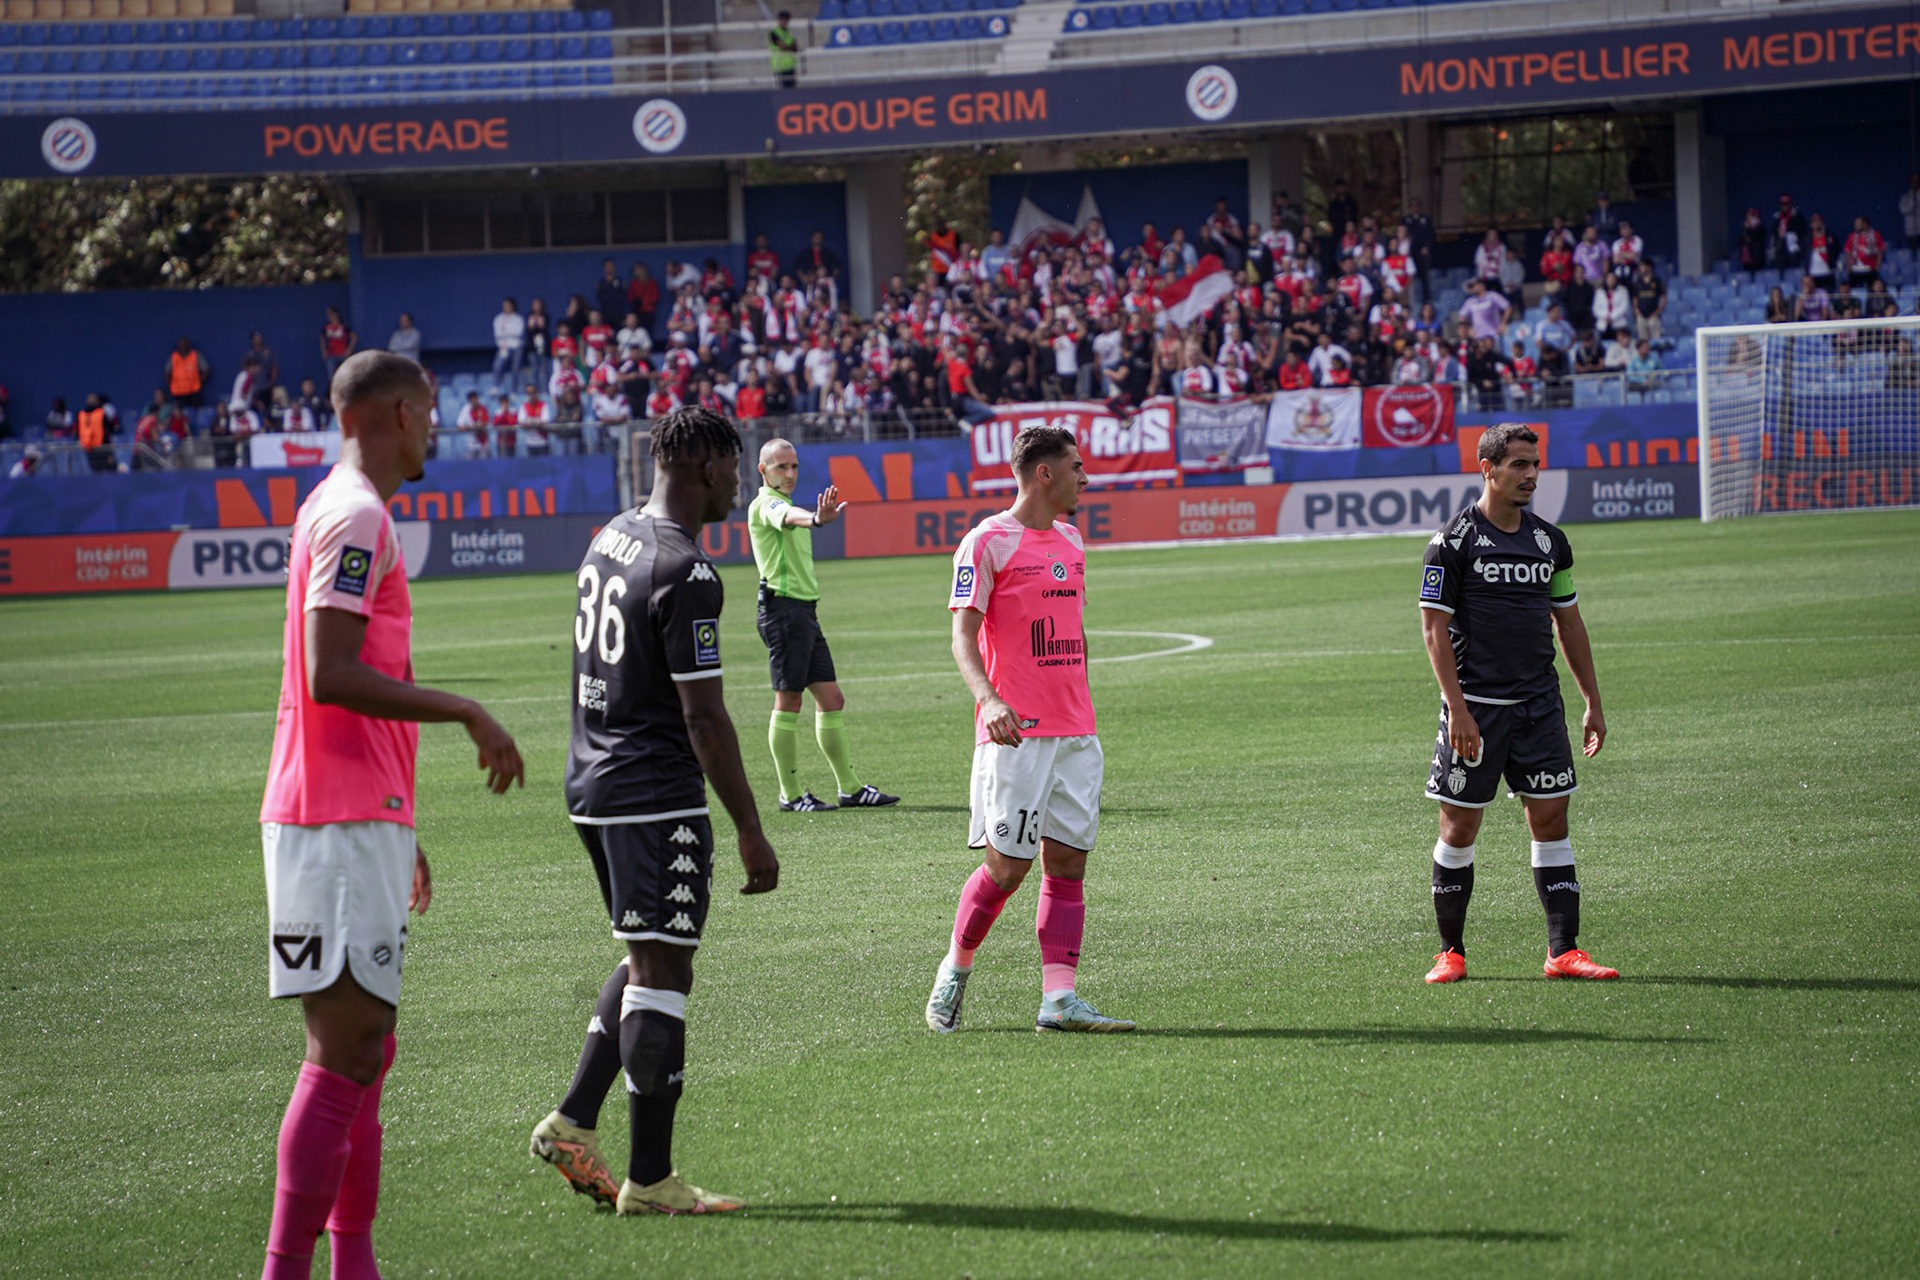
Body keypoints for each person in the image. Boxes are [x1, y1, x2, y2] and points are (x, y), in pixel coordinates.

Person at [257, 350, 525, 1278]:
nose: (436, 429)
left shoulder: (339, 506)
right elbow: (330, 673)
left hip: (356, 815)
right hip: (331, 821)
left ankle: (353, 1263)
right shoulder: (358, 514)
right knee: (344, 1054)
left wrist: (399, 821)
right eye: (432, 412)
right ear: (401, 413)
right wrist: (467, 710)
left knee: (368, 1050)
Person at [527, 406, 775, 1217]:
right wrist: (749, 828)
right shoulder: (686, 570)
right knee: (663, 973)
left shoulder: (614, 535)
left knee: (650, 956)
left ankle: (572, 1121)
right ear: (706, 469)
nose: (738, 484)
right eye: (733, 468)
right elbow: (704, 719)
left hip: (593, 782)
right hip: (651, 793)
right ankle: (652, 1180)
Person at [925, 425, 1135, 1035]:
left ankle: (1059, 1000)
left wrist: (1082, 701)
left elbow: (1075, 629)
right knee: (1007, 869)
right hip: (1016, 733)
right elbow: (963, 636)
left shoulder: (1071, 539)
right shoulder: (985, 542)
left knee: (1067, 864)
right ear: (1045, 473)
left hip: (1076, 732)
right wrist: (989, 700)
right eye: (1076, 467)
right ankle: (955, 969)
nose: (1084, 478)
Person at [1417, 423, 1613, 986]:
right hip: (1476, 708)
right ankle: (1450, 953)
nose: (1531, 475)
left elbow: (1568, 622)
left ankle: (1563, 951)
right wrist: (1457, 708)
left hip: (1538, 706)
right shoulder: (1452, 542)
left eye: (1535, 464)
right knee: (1460, 827)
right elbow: (1433, 629)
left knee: (1550, 818)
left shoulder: (1551, 542)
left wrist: (1592, 701)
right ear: (1488, 469)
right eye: (1519, 464)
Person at [745, 438, 899, 812]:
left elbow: (793, 513)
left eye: (794, 466)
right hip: (783, 613)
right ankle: (790, 794)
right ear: (763, 470)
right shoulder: (766, 504)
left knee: (831, 699)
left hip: (803, 614)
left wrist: (813, 518)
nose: (790, 473)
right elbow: (789, 516)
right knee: (789, 700)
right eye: (781, 467)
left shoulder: (783, 502)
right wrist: (815, 519)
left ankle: (850, 789)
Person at [493, 298, 527, 392]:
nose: (506, 307)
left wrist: (505, 333)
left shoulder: (518, 319)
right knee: (497, 365)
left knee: (515, 368)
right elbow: (497, 334)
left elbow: (518, 333)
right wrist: (506, 336)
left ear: (513, 306)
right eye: (505, 305)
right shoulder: (499, 319)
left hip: (516, 346)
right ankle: (496, 387)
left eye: (508, 305)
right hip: (503, 347)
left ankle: (514, 390)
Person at [167, 336, 210, 409]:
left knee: (196, 411)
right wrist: (171, 384)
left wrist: (198, 382)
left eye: (184, 344)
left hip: (193, 392)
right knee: (178, 413)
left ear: (188, 345)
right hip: (178, 393)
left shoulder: (195, 355)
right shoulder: (174, 357)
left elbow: (206, 369)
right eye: (180, 345)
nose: (182, 346)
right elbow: (167, 372)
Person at [319, 308, 356, 390]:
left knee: (345, 374)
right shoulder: (327, 327)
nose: (329, 317)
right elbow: (322, 338)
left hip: (342, 354)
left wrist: (349, 349)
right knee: (331, 377)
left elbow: (353, 336)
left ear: (336, 314)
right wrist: (323, 350)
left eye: (331, 314)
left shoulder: (343, 326)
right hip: (331, 354)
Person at [1631, 260, 1665, 342]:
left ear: (1649, 267)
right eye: (1641, 267)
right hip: (1641, 315)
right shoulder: (1638, 282)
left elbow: (1663, 298)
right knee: (1642, 341)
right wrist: (1636, 309)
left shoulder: (1657, 281)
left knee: (1655, 340)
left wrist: (1658, 311)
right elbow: (1635, 297)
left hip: (1653, 315)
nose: (1641, 268)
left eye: (1643, 266)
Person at [768, 9, 798, 88]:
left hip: (790, 66)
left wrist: (788, 47)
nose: (784, 22)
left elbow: (795, 48)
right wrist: (790, 47)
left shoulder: (789, 32)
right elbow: (783, 47)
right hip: (779, 67)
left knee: (792, 90)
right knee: (782, 90)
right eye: (782, 19)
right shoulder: (774, 32)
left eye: (786, 20)